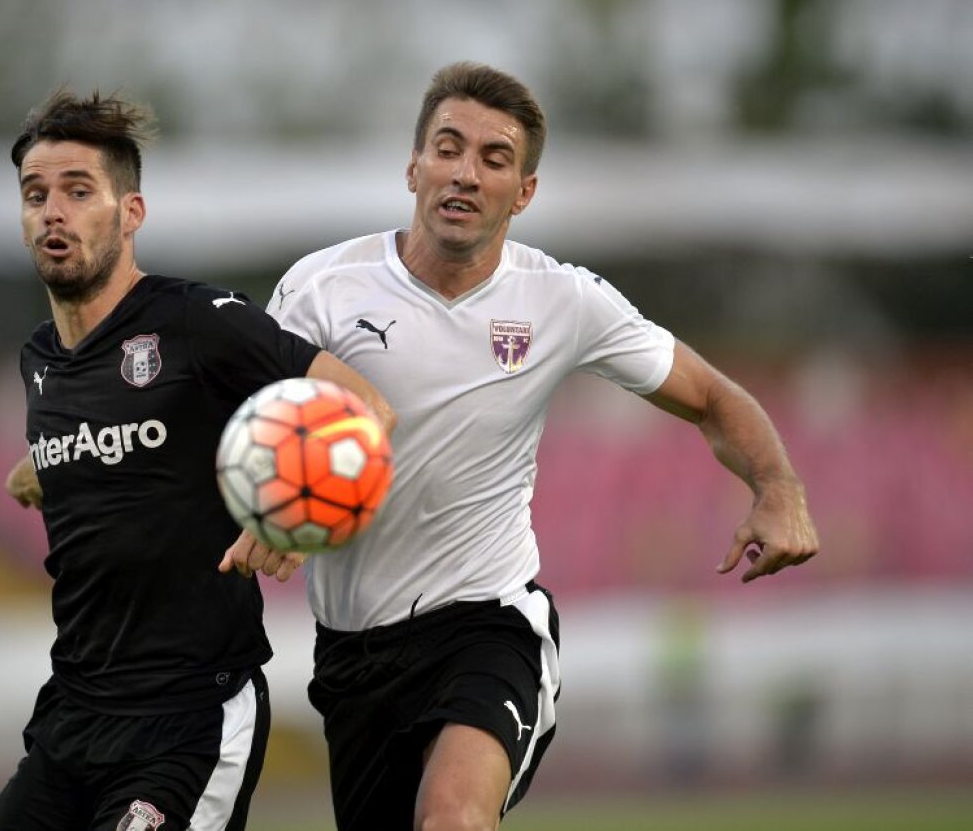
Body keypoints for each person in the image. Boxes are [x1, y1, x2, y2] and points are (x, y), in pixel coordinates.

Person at [244, 61, 821, 830]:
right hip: (353, 653)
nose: (465, 173)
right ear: (414, 167)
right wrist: (268, 505)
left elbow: (713, 397)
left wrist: (778, 488)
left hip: (488, 624)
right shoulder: (320, 288)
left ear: (524, 192)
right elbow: (254, 424)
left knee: (452, 819)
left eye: (495, 158)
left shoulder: (562, 299)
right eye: (448, 148)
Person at [0, 89, 392, 831]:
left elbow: (365, 408)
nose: (53, 212)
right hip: (72, 714)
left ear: (130, 213)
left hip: (189, 720)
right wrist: (39, 467)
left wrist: (289, 523)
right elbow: (127, 445)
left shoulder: (194, 321)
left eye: (79, 191)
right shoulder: (39, 359)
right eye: (35, 195)